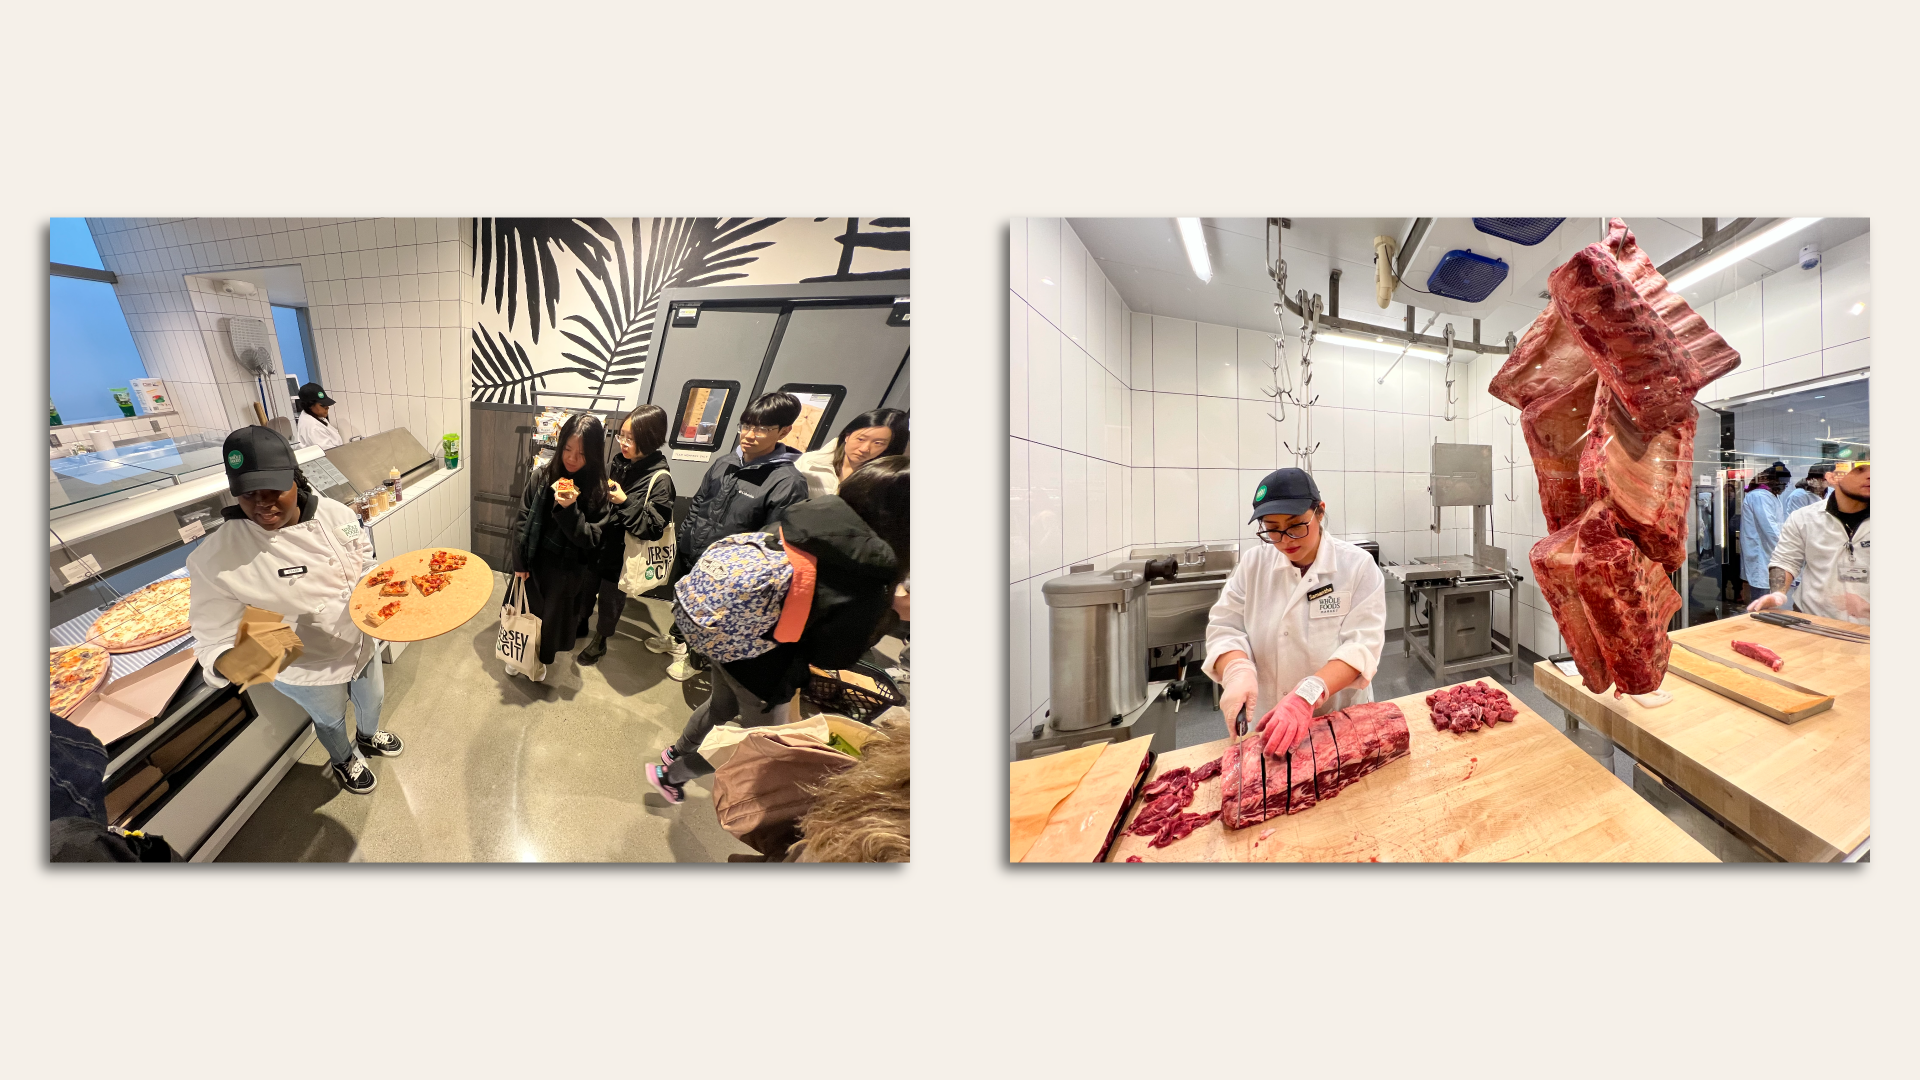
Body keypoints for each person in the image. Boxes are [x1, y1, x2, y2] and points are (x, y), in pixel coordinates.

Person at [647, 455, 910, 804]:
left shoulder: (804, 517)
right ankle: (670, 775)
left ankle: (675, 752)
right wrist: (892, 612)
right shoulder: (868, 573)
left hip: (727, 642)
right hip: (767, 669)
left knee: (719, 708)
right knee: (759, 742)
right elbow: (835, 655)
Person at [187, 426, 400, 794]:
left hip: (360, 639)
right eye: (248, 493)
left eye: (273, 490)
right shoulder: (216, 556)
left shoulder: (336, 514)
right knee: (330, 720)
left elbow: (365, 562)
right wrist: (237, 661)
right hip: (304, 662)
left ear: (295, 480)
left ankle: (368, 735)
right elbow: (211, 637)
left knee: (373, 698)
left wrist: (384, 596)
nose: (261, 504)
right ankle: (344, 759)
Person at [1202, 467, 1388, 759]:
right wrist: (1236, 669)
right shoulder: (1253, 565)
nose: (1286, 540)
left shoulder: (1358, 566)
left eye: (1296, 525)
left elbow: (1362, 645)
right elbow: (1225, 627)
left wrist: (1308, 695)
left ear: (1320, 512)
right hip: (1271, 724)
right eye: (1272, 529)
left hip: (1338, 721)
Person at [647, 392, 809, 681]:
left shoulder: (788, 482)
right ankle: (677, 639)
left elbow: (772, 542)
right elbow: (699, 502)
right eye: (745, 425)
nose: (748, 435)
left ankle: (696, 660)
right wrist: (685, 538)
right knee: (687, 602)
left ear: (784, 431)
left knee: (713, 616)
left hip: (730, 572)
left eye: (761, 428)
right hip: (694, 551)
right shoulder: (725, 462)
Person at [510, 412, 613, 677]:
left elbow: (592, 540)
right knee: (522, 612)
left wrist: (569, 510)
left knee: (549, 623)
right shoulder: (542, 477)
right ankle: (516, 654)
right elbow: (522, 520)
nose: (571, 458)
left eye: (581, 453)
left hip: (566, 572)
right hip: (534, 562)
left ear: (594, 453)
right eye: (567, 449)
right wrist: (519, 563)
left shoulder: (599, 491)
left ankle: (539, 660)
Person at [576, 405, 675, 665]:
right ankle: (580, 623)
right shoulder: (619, 464)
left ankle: (600, 642)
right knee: (585, 590)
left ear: (651, 439)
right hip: (599, 544)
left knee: (610, 603)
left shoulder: (660, 479)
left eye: (632, 438)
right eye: (622, 435)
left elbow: (652, 528)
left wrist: (623, 501)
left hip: (623, 556)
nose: (624, 443)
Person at [1749, 460, 1870, 624]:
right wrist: (1778, 593)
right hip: (1813, 620)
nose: (1870, 475)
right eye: (1859, 470)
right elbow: (1785, 560)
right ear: (1832, 478)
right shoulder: (1803, 517)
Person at [794, 407, 910, 498]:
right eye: (860, 439)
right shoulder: (809, 462)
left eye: (878, 443)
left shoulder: (885, 480)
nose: (864, 448)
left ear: (889, 447)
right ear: (847, 435)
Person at [1738, 463, 1790, 603]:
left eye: (1786, 484)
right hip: (1761, 551)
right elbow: (1769, 528)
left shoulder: (1771, 496)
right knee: (1761, 595)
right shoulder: (1760, 496)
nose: (1784, 488)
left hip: (1769, 551)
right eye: (1782, 483)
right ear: (1771, 481)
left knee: (1767, 592)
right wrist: (1786, 548)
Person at [291, 382, 345, 450]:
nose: (327, 407)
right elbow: (329, 453)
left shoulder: (313, 414)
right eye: (322, 405)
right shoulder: (314, 427)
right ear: (309, 406)